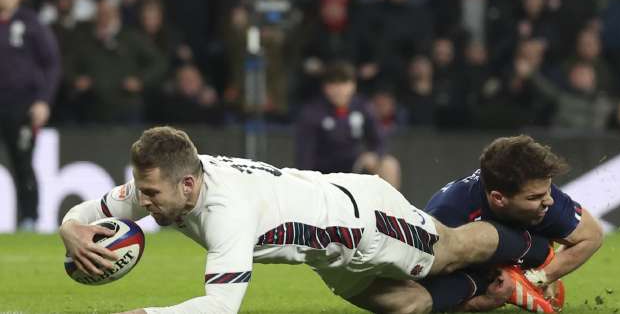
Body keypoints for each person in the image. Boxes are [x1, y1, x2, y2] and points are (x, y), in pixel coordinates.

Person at [59, 126, 555, 314]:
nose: (141, 203)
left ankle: (535, 249)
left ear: (187, 185)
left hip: (363, 220)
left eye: (150, 194)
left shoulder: (226, 212)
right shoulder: (170, 180)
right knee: (406, 307)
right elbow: (92, 210)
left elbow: (220, 308)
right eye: (140, 190)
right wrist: (70, 229)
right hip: (325, 253)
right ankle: (498, 291)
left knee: (450, 249)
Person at [425, 135, 604, 312]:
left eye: (548, 189)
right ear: (498, 198)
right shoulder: (448, 215)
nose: (549, 201)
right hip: (464, 268)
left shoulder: (537, 190)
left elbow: (592, 236)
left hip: (511, 253)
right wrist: (481, 303)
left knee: (542, 250)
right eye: (535, 197)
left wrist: (537, 279)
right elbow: (422, 294)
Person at [0, 0, 61, 230]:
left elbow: (51, 63)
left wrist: (43, 101)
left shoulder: (30, 23)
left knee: (23, 164)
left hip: (21, 105)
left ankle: (29, 220)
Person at [296, 62, 401, 188]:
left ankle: (388, 207)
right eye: (333, 84)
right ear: (325, 88)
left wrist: (373, 155)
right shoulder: (313, 112)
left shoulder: (362, 106)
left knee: (389, 164)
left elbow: (380, 140)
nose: (339, 90)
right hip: (324, 173)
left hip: (354, 167)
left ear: (353, 85)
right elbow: (305, 156)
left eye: (344, 83)